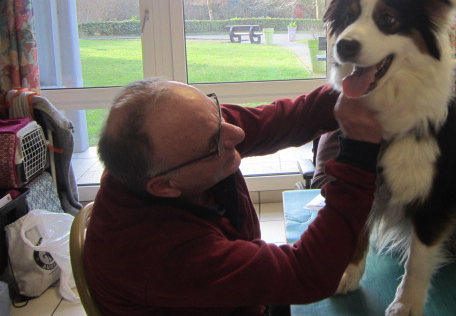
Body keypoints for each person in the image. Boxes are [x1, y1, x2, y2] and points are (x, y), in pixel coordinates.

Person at [83, 78, 383, 315]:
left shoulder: (188, 137)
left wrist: (358, 84)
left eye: (217, 113)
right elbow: (307, 274)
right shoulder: (152, 254)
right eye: (216, 142)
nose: (236, 134)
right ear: (164, 187)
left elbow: (284, 120)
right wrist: (358, 158)